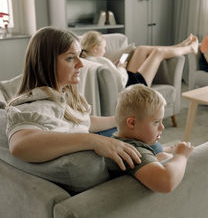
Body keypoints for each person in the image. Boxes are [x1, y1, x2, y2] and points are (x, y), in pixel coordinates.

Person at [6, 27, 141, 171]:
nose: (81, 64)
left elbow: (83, 121)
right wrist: (93, 140)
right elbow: (20, 146)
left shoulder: (63, 95)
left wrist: (118, 120)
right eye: (70, 58)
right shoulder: (34, 107)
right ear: (46, 63)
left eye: (79, 55)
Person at [106, 84, 194, 193]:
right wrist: (182, 156)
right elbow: (166, 182)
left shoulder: (119, 138)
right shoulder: (133, 152)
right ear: (132, 123)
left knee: (163, 154)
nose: (162, 127)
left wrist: (169, 149)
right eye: (156, 122)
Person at [80, 31, 198, 87]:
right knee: (158, 53)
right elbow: (120, 81)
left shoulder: (86, 59)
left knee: (141, 49)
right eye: (103, 48)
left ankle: (178, 46)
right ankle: (190, 49)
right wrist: (120, 68)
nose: (105, 51)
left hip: (127, 80)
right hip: (132, 87)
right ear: (95, 48)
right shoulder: (102, 61)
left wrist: (117, 67)